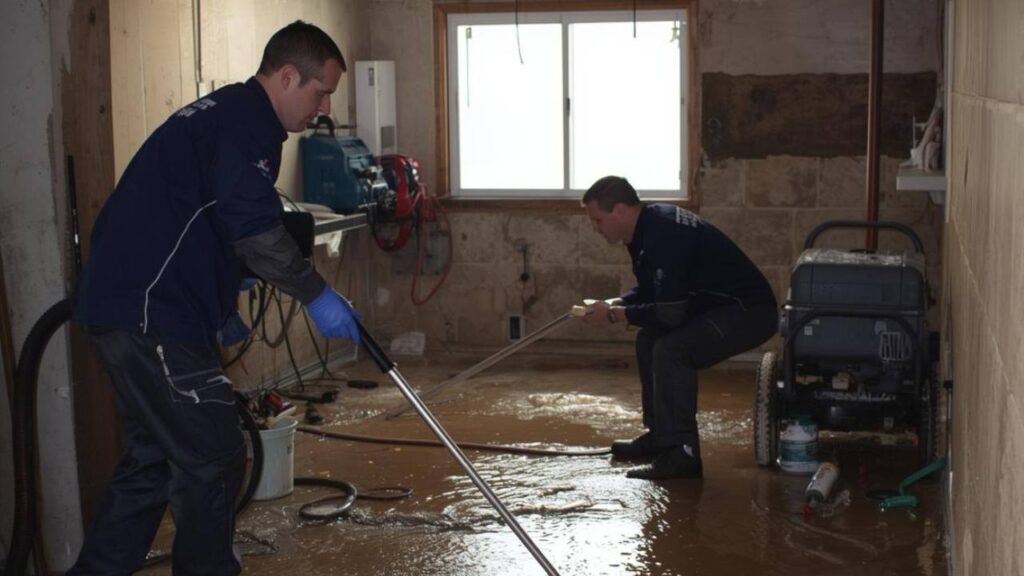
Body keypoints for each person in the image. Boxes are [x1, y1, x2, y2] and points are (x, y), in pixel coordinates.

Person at [69, 21, 358, 575]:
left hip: (134, 307)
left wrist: (227, 289)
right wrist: (317, 294)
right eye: (321, 92)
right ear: (288, 76)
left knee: (154, 460)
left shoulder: (230, 116)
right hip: (152, 313)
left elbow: (216, 219)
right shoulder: (244, 124)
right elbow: (255, 230)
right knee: (216, 456)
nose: (324, 108)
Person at [580, 176, 777, 480]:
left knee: (672, 349)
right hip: (717, 307)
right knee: (648, 339)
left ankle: (682, 454)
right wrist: (616, 302)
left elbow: (669, 314)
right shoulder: (647, 227)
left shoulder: (662, 234)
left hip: (748, 313)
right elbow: (654, 290)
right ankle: (661, 437)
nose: (596, 228)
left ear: (619, 210)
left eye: (598, 220)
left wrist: (614, 316)